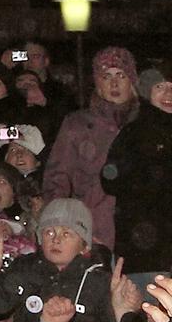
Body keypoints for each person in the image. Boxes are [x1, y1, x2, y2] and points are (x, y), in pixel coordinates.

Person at [43, 48, 141, 248]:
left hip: (141, 234)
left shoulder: (146, 123)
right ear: (97, 83)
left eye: (121, 75)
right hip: (93, 230)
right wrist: (65, 227)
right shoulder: (76, 124)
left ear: (131, 81)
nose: (114, 83)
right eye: (106, 76)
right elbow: (57, 179)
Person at [101, 74, 172, 277]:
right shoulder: (134, 133)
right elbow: (109, 180)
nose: (168, 94)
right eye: (160, 86)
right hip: (144, 248)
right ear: (148, 92)